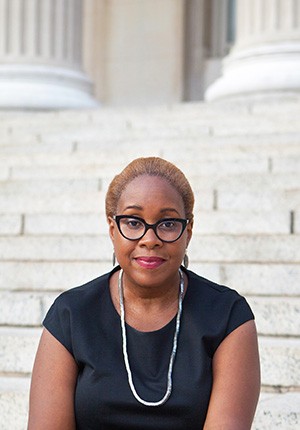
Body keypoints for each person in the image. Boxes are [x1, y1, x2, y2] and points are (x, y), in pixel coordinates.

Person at [27, 157, 260, 430]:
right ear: (113, 229)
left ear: (189, 231)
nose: (150, 239)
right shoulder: (71, 316)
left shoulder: (228, 316)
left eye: (168, 223)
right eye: (134, 222)